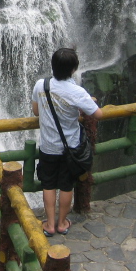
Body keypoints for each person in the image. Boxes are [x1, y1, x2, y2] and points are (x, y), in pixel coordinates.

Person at [31, 47, 103, 236]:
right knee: (66, 185)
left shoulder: (41, 85)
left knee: (48, 185)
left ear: (53, 66)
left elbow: (36, 112)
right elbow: (98, 114)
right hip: (70, 148)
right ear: (73, 70)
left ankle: (49, 225)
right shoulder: (77, 92)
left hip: (48, 146)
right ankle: (62, 224)